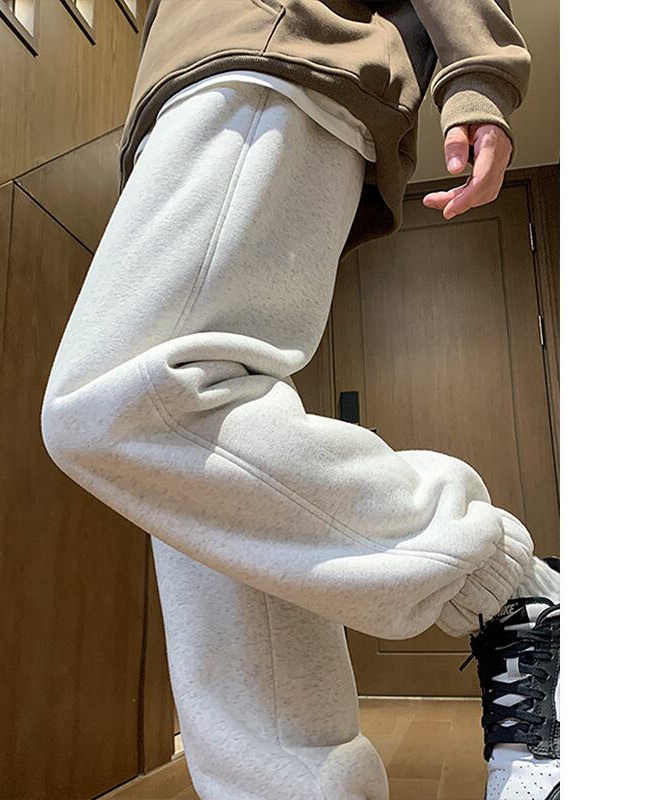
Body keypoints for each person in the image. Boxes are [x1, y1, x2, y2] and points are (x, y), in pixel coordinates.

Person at [40, 1, 560, 798]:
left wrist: (479, 72)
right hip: (206, 86)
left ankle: (507, 583)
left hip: (267, 53)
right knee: (215, 494)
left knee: (119, 402)